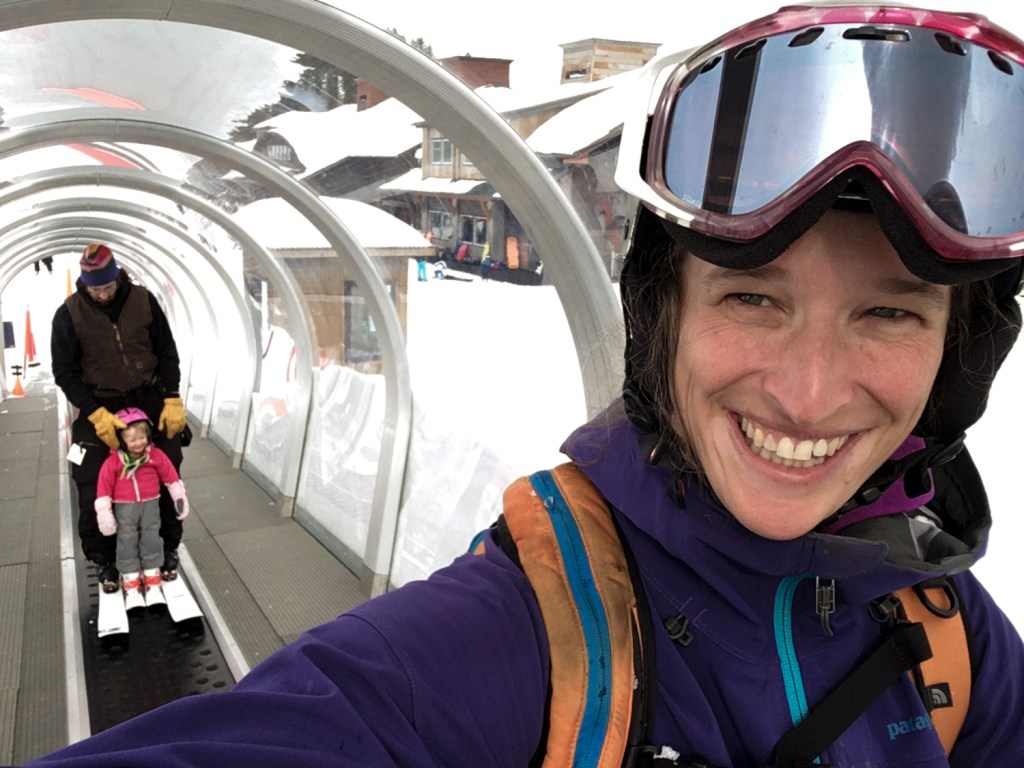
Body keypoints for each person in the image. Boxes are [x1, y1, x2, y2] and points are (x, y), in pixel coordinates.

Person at [20, 4, 1024, 766]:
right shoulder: (522, 636)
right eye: (752, 300)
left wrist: (166, 396)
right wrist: (97, 407)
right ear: (662, 319)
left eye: (888, 312)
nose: (807, 396)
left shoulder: (948, 633)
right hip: (105, 411)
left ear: (957, 358)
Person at [51, 243, 188, 593]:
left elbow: (167, 352)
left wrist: (171, 398)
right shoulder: (68, 314)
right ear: (84, 284)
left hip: (148, 397)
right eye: (94, 289)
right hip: (101, 403)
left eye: (107, 288)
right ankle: (105, 558)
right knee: (91, 474)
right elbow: (65, 372)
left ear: (118, 277)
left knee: (167, 463)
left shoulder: (144, 301)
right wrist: (94, 412)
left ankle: (167, 547)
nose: (101, 294)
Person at [95, 408, 190, 599]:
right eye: (132, 440)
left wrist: (178, 498)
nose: (138, 443)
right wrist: (104, 513)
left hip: (150, 505)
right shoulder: (114, 462)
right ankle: (130, 578)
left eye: (142, 437)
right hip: (125, 508)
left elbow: (170, 475)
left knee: (151, 537)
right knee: (127, 540)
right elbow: (103, 487)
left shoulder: (155, 455)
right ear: (121, 440)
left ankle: (151, 574)